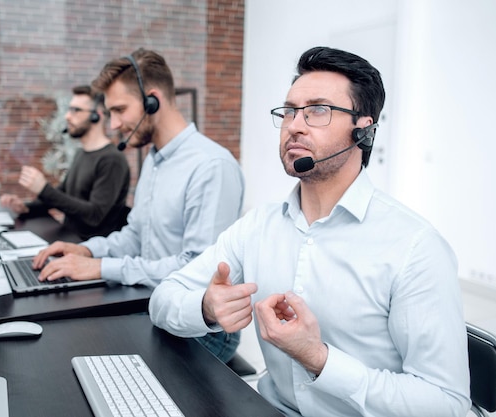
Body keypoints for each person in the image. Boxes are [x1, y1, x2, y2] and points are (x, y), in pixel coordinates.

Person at [149, 46, 471, 416]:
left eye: (317, 110)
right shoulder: (258, 226)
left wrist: (318, 359)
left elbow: (446, 405)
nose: (295, 124)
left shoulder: (415, 248)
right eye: (289, 111)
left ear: (363, 131)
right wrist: (205, 307)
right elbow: (164, 298)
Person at [31, 48, 245, 363]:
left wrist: (101, 267)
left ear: (152, 100)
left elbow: (196, 269)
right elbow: (135, 234)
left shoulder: (211, 166)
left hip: (200, 329)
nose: (113, 123)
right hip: (153, 303)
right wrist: (88, 251)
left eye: (119, 110)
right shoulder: (154, 160)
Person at [0, 85, 130, 240]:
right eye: (69, 110)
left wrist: (43, 189)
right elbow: (61, 196)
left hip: (87, 248)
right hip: (67, 237)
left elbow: (94, 216)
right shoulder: (81, 153)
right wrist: (25, 207)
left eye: (76, 110)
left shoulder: (112, 160)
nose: (68, 116)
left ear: (97, 115)